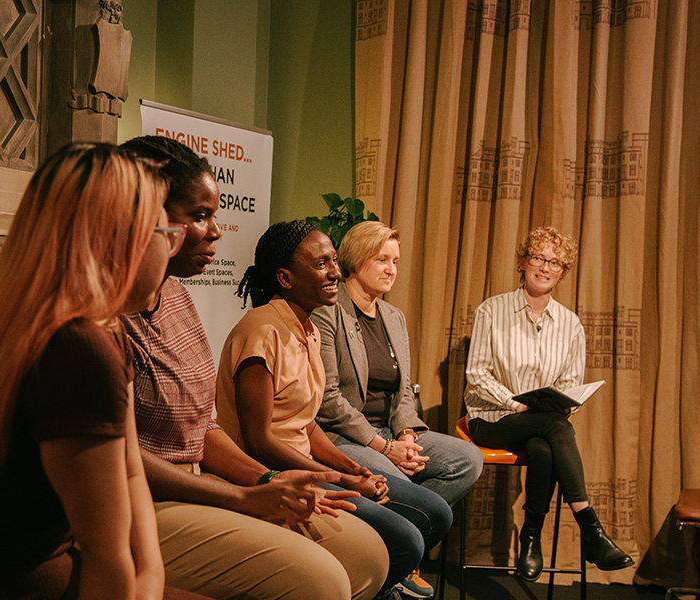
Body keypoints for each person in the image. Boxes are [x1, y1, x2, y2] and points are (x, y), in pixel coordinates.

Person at [0, 143, 205, 599]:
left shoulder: (65, 328)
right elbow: (106, 556)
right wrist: (142, 585)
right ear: (121, 240)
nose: (171, 247)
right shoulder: (76, 349)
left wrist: (151, 579)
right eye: (166, 232)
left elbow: (131, 471)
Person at [118, 136, 389, 600]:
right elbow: (120, 460)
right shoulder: (106, 323)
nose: (217, 231)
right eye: (200, 216)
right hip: (143, 501)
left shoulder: (179, 299)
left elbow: (204, 427)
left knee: (370, 556)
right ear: (148, 222)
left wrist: (269, 480)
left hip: (196, 481)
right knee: (322, 583)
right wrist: (251, 493)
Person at [215, 220, 453, 600]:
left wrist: (353, 467)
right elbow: (258, 441)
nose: (335, 272)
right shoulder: (262, 331)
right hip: (273, 474)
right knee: (406, 540)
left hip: (307, 464)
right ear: (285, 277)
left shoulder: (307, 329)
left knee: (436, 514)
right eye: (322, 264)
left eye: (333, 262)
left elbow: (306, 425)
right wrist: (341, 479)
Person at [310, 220, 483, 598]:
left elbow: (405, 390)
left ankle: (402, 555)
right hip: (343, 436)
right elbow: (329, 399)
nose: (391, 269)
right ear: (356, 261)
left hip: (392, 432)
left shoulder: (394, 317)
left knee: (467, 458)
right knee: (398, 484)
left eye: (396, 261)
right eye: (382, 259)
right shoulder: (329, 312)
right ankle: (396, 558)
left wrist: (406, 436)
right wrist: (385, 448)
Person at [463, 225, 634, 581]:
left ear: (563, 272)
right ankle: (590, 527)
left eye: (555, 262)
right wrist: (516, 404)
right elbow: (477, 375)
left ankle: (530, 540)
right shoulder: (491, 311)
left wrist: (563, 402)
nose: (545, 267)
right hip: (491, 418)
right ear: (523, 262)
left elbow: (570, 384)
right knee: (554, 428)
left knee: (543, 446)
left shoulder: (570, 324)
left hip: (541, 425)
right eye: (539, 258)